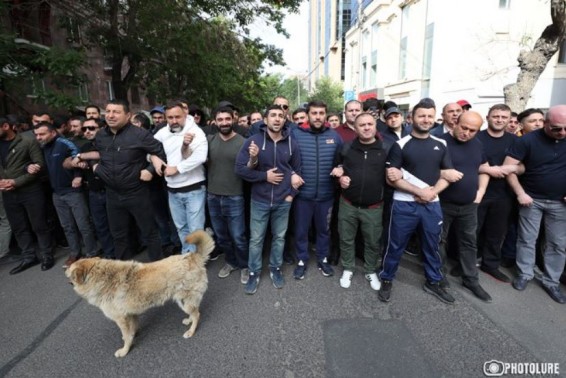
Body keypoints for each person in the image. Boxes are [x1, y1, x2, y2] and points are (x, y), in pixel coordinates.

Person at [378, 100, 455, 304]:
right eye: (422, 116)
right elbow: (390, 178)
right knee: (395, 245)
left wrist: (431, 193)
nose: (426, 120)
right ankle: (386, 278)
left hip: (432, 203)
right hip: (404, 204)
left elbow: (447, 174)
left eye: (430, 116)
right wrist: (418, 191)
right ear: (412, 118)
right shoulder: (400, 145)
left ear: (435, 117)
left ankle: (434, 281)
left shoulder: (442, 144)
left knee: (432, 245)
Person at [72, 99, 166, 261]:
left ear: (128, 115)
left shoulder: (139, 134)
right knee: (118, 236)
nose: (111, 115)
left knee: (149, 232)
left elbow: (161, 152)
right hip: (112, 194)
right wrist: (96, 167)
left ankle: (157, 271)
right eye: (108, 111)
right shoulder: (101, 135)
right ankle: (123, 274)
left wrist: (150, 170)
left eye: (116, 112)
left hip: (137, 192)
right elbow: (99, 153)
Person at [235, 104, 302, 294]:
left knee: (279, 238)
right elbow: (240, 169)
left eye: (281, 115)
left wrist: (291, 196)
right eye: (273, 115)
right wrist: (264, 176)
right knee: (256, 239)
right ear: (265, 120)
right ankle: (254, 272)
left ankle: (275, 268)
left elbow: (298, 171)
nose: (277, 119)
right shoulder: (254, 141)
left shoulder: (291, 143)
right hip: (260, 200)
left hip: (283, 201)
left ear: (284, 119)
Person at [504, 105, 566, 304]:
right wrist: (520, 193)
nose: (562, 132)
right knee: (526, 239)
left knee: (558, 244)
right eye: (557, 128)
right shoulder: (527, 141)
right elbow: (508, 168)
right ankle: (524, 274)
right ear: (545, 123)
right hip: (532, 200)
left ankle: (552, 281)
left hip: (560, 203)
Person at [438, 111, 492, 302]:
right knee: (439, 241)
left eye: (473, 130)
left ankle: (470, 279)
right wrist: (443, 175)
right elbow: (425, 170)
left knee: (469, 242)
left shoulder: (477, 144)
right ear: (455, 123)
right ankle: (438, 276)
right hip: (442, 203)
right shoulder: (439, 142)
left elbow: (483, 168)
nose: (467, 133)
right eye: (464, 127)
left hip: (469, 205)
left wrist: (481, 192)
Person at [34, 121, 99, 268]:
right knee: (67, 227)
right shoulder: (42, 148)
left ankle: (91, 254)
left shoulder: (64, 143)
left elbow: (78, 157)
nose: (39, 137)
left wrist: (78, 176)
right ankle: (75, 253)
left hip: (73, 191)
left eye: (42, 134)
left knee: (83, 225)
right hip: (57, 193)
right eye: (37, 134)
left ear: (53, 133)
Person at [334, 113, 388, 290]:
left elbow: (395, 171)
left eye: (370, 124)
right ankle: (348, 268)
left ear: (375, 126)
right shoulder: (347, 148)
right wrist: (340, 178)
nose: (366, 128)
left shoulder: (387, 148)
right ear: (355, 129)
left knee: (372, 241)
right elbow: (338, 167)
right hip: (348, 203)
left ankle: (370, 270)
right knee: (346, 238)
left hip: (373, 207)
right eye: (362, 125)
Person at [291, 100, 341, 280]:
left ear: (325, 115)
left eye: (321, 113)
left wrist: (342, 167)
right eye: (314, 113)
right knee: (301, 230)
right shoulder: (295, 134)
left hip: (326, 195)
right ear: (308, 115)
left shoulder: (334, 136)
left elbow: (342, 159)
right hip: (303, 195)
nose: (318, 116)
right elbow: (285, 159)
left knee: (323, 230)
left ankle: (322, 258)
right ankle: (302, 260)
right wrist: (291, 174)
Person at [0, 117, 54, 274]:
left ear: (6, 126)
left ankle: (46, 255)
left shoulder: (27, 141)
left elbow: (39, 165)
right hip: (8, 193)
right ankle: (29, 256)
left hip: (30, 191)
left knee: (39, 224)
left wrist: (16, 182)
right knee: (18, 227)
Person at [153, 102, 208, 254]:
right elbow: (148, 147)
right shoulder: (163, 132)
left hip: (194, 189)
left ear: (185, 115)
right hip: (172, 190)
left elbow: (200, 157)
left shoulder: (196, 131)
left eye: (177, 117)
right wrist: (153, 158)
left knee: (195, 230)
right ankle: (188, 257)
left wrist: (177, 169)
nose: (174, 120)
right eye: (170, 117)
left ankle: (194, 263)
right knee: (181, 228)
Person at [476, 104, 519, 282]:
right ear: (488, 117)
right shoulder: (476, 137)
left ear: (509, 120)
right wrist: (489, 170)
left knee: (496, 232)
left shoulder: (515, 141)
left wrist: (512, 168)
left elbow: (523, 165)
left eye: (503, 117)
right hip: (478, 192)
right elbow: (464, 163)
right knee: (472, 231)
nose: (499, 120)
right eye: (496, 116)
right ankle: (465, 263)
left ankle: (490, 264)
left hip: (504, 194)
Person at [206, 107, 249, 283]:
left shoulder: (243, 142)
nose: (224, 123)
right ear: (215, 121)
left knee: (238, 236)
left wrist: (253, 159)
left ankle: (245, 265)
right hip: (213, 196)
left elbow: (250, 168)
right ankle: (231, 262)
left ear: (233, 120)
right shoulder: (209, 140)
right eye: (220, 119)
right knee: (221, 235)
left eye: (227, 119)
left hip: (235, 196)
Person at [66, 118, 115, 259]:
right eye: (85, 128)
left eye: (91, 128)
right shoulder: (84, 146)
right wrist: (77, 165)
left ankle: (123, 254)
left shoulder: (111, 142)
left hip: (111, 190)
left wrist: (81, 157)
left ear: (102, 128)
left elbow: (103, 154)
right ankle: (109, 255)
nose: (87, 131)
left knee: (118, 226)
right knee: (101, 226)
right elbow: (67, 163)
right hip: (94, 191)